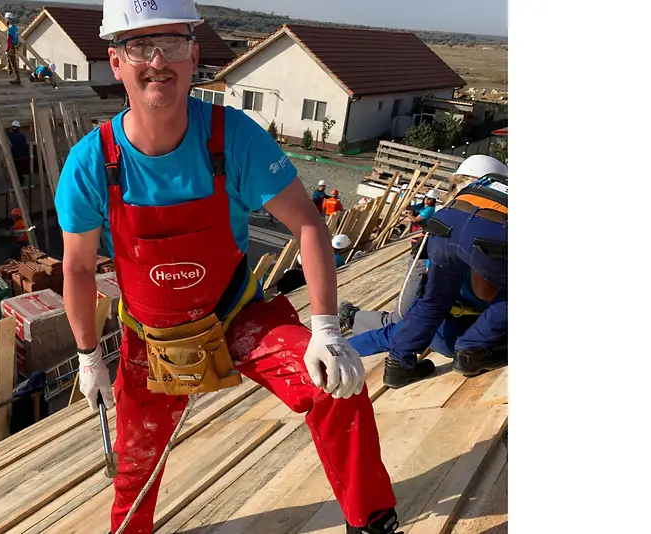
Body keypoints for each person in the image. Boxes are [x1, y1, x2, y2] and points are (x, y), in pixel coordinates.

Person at [54, 2, 399, 533]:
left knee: (335, 385)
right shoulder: (92, 163)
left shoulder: (231, 137)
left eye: (169, 44)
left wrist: (327, 331)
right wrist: (86, 356)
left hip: (236, 315)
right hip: (150, 337)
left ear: (193, 56)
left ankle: (372, 521)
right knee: (134, 465)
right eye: (137, 47)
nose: (155, 61)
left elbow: (308, 225)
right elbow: (76, 270)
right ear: (115, 62)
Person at [341, 172, 508, 389]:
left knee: (435, 298)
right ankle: (472, 351)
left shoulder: (491, 182)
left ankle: (398, 365)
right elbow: (486, 289)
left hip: (446, 223)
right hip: (485, 232)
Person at [4, 12, 21, 84]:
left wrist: (7, 49)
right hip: (15, 46)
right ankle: (9, 69)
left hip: (11, 47)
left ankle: (17, 78)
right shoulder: (15, 27)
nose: (5, 20)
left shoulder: (10, 29)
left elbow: (9, 40)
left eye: (5, 19)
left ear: (8, 19)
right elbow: (17, 38)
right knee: (10, 59)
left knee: (13, 63)